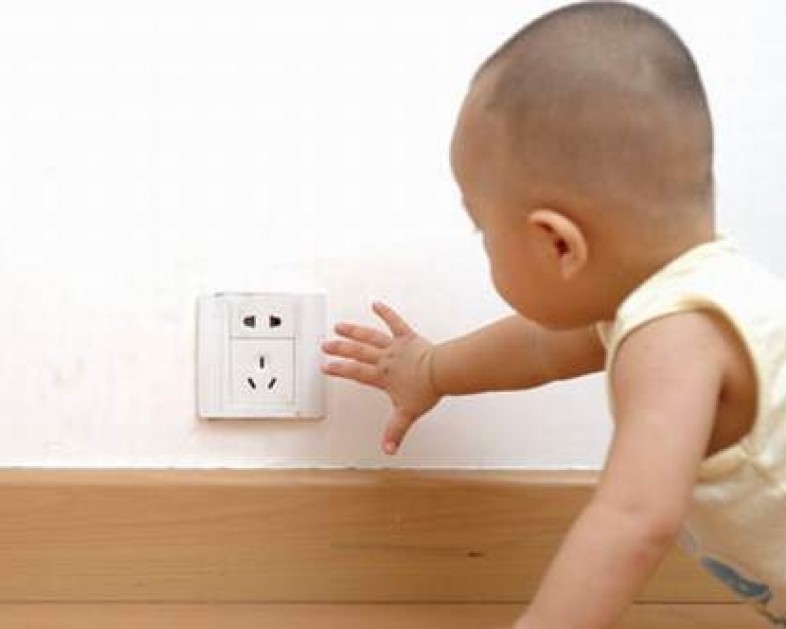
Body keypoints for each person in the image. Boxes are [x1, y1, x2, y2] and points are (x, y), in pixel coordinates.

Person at [321, 2, 786, 627]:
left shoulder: (675, 337)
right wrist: (430, 369)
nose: (484, 245)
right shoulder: (678, 299)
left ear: (559, 245)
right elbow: (538, 348)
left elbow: (633, 520)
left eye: (483, 231)